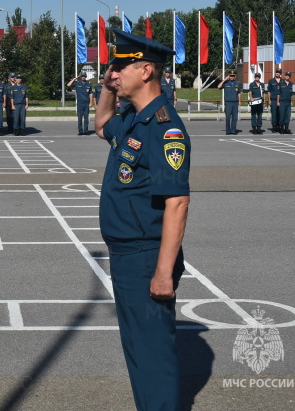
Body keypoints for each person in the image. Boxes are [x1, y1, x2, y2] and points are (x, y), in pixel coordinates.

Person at [94, 29, 190, 411]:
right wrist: (107, 85)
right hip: (127, 254)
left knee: (152, 355)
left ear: (146, 70)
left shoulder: (164, 128)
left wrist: (163, 273)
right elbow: (101, 124)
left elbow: (177, 202)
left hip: (146, 255)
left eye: (120, 67)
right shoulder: (134, 120)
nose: (113, 73)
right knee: (137, 349)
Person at [267, 68, 282, 133]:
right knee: (274, 114)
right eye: (276, 72)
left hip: (281, 100)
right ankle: (274, 127)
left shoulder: (283, 81)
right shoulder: (271, 81)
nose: (277, 73)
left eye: (278, 72)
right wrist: (269, 99)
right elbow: (269, 91)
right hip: (273, 100)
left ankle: (279, 126)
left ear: (280, 73)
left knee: (280, 114)